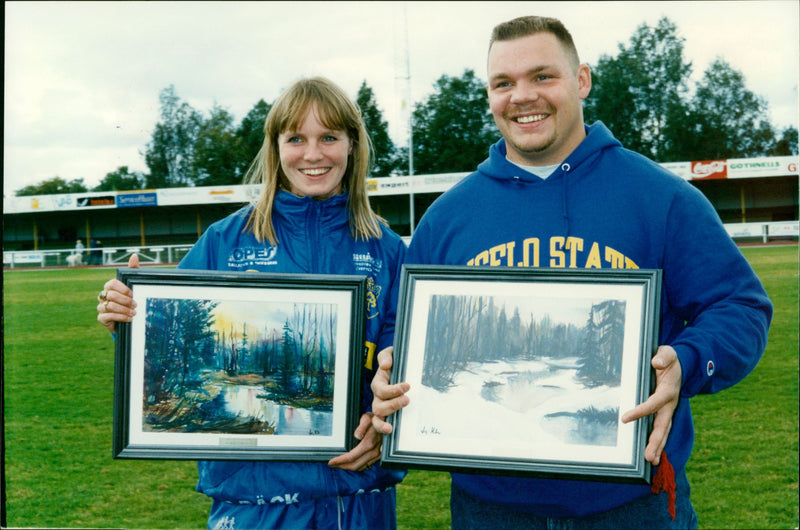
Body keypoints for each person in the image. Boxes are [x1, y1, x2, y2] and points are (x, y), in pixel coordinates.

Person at [371, 15, 772, 529]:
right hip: (489, 510)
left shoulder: (661, 197)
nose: (522, 96)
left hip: (631, 506)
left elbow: (740, 306)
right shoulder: (449, 217)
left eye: (542, 76)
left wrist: (690, 360)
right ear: (490, 95)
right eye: (503, 83)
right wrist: (392, 367)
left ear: (581, 80)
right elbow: (402, 328)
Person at [97, 77, 407, 530]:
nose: (313, 154)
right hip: (252, 504)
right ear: (275, 147)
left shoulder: (387, 249)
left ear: (353, 145)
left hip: (358, 498)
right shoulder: (224, 240)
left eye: (329, 138)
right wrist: (126, 315)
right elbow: (164, 338)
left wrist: (386, 430)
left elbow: (404, 367)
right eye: (296, 138)